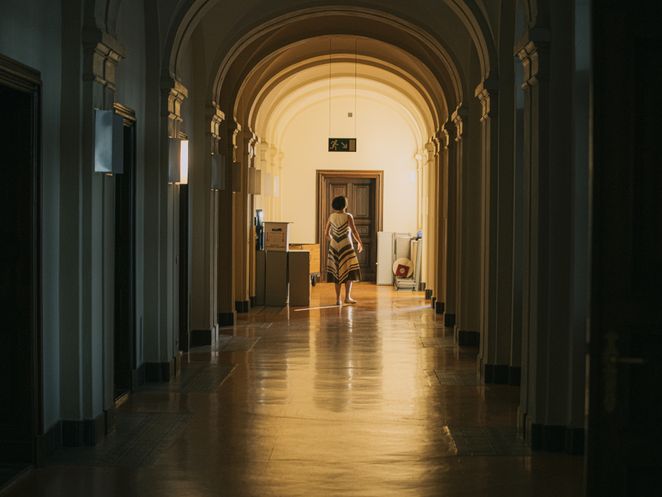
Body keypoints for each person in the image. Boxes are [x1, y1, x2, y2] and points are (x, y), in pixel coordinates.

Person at [324, 195, 364, 305]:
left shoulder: (331, 216)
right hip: (346, 245)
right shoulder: (348, 216)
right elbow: (354, 231)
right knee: (349, 270)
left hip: (334, 246)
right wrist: (360, 242)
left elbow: (326, 233)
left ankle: (338, 299)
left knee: (336, 272)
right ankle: (347, 297)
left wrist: (333, 240)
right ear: (345, 205)